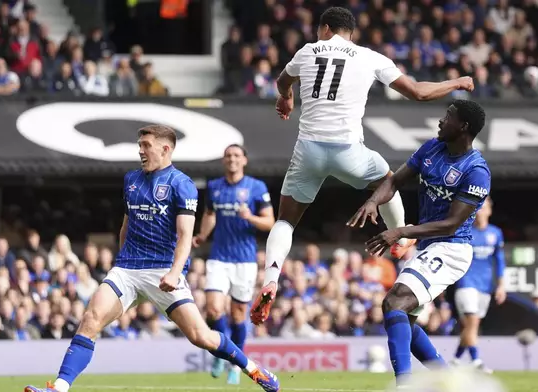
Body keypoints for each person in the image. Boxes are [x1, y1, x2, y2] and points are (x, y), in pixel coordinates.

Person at [250, 6, 475, 325]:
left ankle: (271, 277)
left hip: (309, 149)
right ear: (348, 32)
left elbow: (282, 80)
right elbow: (418, 93)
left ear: (325, 29)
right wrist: (458, 82)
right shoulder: (370, 57)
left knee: (286, 220)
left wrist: (286, 97)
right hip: (348, 150)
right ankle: (399, 240)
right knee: (388, 179)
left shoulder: (307, 51)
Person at [24, 125, 280, 392]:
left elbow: (184, 236)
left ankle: (254, 369)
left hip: (163, 271)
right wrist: (120, 264)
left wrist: (174, 272)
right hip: (127, 268)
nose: (140, 150)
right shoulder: (131, 179)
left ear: (165, 148)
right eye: (140, 145)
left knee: (200, 337)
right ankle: (60, 387)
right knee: (90, 318)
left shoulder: (182, 184)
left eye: (146, 145)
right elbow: (126, 224)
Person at [348, 100, 490, 387]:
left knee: (394, 302)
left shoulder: (476, 171)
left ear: (463, 126)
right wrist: (374, 201)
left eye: (448, 116)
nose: (440, 120)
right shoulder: (431, 148)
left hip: (452, 248)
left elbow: (451, 223)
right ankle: (448, 380)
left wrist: (400, 231)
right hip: (429, 246)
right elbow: (394, 180)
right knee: (404, 321)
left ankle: (404, 384)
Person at [192, 144, 275, 384]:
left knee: (239, 315)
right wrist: (202, 235)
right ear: (223, 160)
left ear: (244, 161)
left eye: (237, 155)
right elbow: (209, 214)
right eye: (228, 156)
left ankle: (236, 365)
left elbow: (270, 222)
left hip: (245, 260)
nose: (232, 159)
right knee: (214, 309)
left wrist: (250, 217)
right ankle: (221, 351)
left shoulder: (256, 187)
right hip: (219, 257)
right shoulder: (215, 186)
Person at [451, 196, 506, 372]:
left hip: (485, 286)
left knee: (471, 326)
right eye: (478, 208)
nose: (481, 211)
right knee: (472, 322)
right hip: (466, 284)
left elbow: (499, 259)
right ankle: (476, 362)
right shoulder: (465, 232)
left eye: (484, 208)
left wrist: (501, 285)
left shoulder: (495, 233)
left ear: (490, 210)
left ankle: (455, 360)